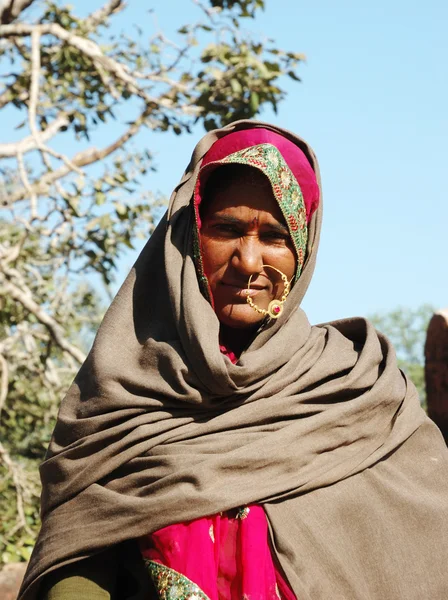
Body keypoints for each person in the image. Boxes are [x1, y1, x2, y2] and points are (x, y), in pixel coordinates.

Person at [19, 121, 448, 600]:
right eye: (226, 229)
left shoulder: (362, 391)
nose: (248, 261)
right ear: (188, 237)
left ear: (302, 250)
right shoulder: (121, 394)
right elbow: (77, 554)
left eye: (274, 236)